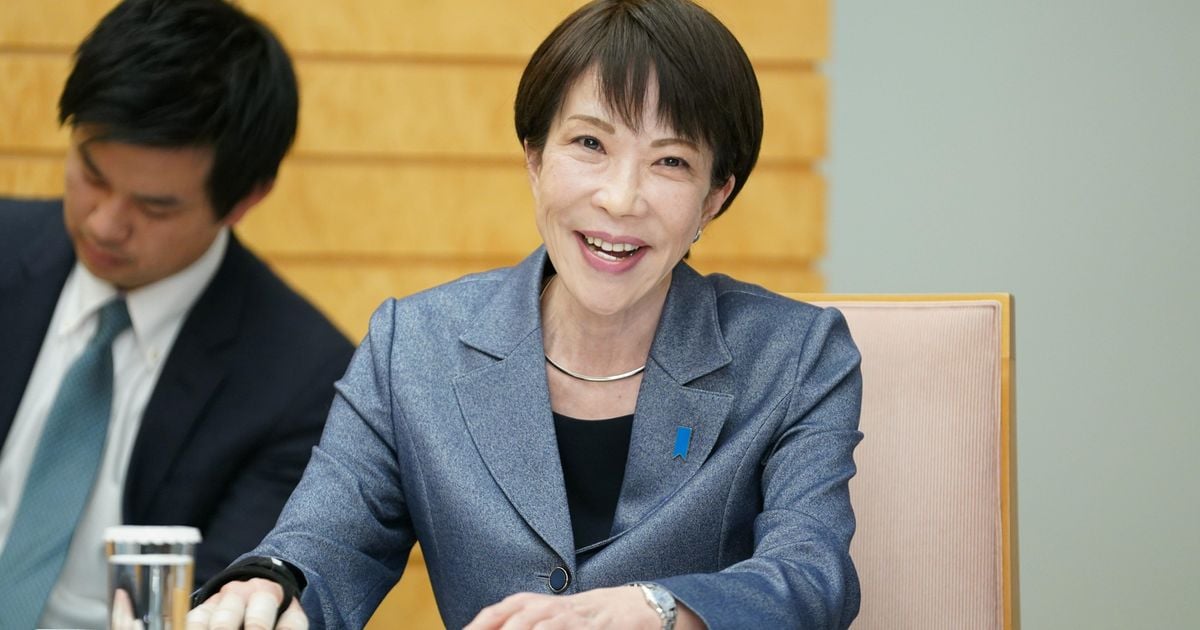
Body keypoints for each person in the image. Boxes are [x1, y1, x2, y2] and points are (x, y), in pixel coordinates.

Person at [189, 0, 863, 628]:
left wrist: (656, 610)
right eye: (590, 144)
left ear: (714, 197)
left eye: (670, 160)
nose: (621, 198)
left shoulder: (795, 354)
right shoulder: (414, 346)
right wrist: (270, 584)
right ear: (535, 157)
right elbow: (324, 543)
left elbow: (812, 575)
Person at [0, 1, 354, 628]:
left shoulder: (300, 381)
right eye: (91, 173)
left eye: (154, 207)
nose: (104, 223)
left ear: (244, 199)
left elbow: (225, 601)